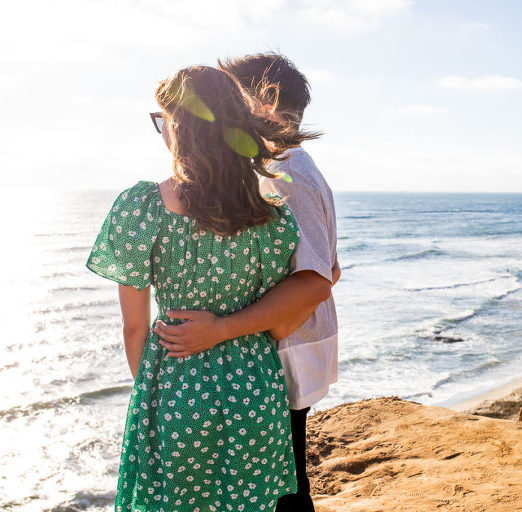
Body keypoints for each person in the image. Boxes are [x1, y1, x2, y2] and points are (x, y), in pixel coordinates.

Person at [86, 65, 316, 512]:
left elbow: (135, 329)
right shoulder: (271, 215)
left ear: (179, 127)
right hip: (256, 395)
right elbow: (284, 317)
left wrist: (154, 394)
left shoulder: (142, 208)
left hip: (175, 390)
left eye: (163, 120)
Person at [154, 53, 339, 512]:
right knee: (278, 484)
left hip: (284, 353)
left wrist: (220, 328)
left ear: (264, 107)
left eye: (232, 101)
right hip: (278, 348)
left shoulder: (288, 174)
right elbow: (325, 269)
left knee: (282, 492)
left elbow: (315, 281)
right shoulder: (277, 168)